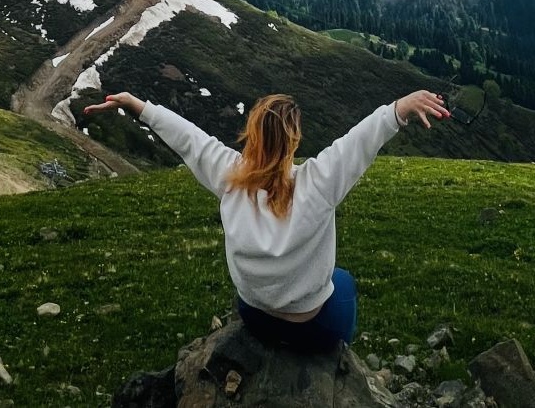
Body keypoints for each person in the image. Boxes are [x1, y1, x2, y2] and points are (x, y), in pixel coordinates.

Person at [83, 89, 449, 352]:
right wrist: (400, 108)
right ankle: (335, 364)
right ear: (294, 139)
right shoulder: (319, 183)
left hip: (254, 314)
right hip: (312, 327)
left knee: (335, 283)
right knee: (344, 282)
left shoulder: (229, 178)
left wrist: (138, 106)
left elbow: (190, 140)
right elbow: (359, 142)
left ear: (253, 135)